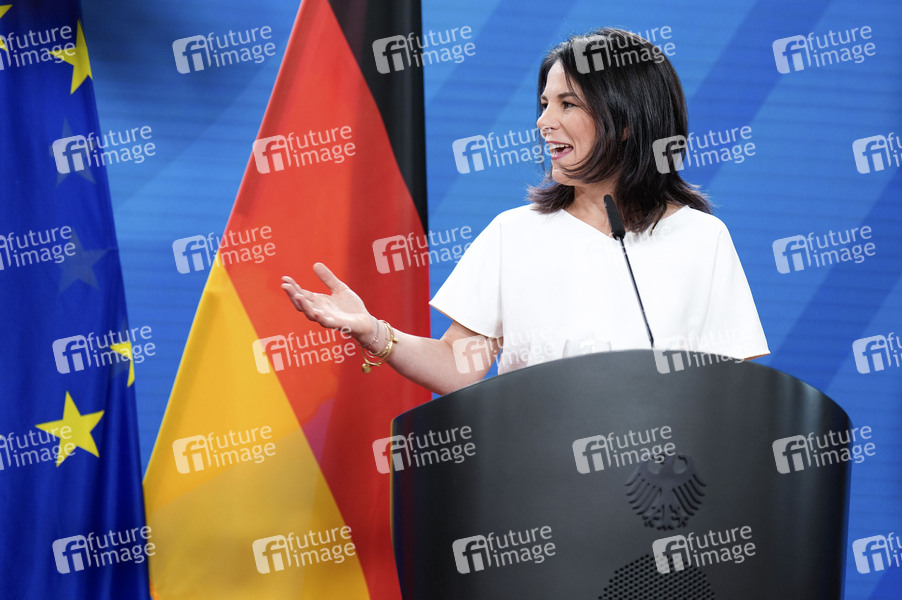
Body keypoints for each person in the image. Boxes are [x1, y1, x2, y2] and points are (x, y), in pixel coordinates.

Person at [281, 27, 769, 396]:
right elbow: (458, 366)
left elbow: (738, 389)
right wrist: (374, 332)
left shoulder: (701, 238)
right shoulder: (512, 234)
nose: (543, 122)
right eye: (544, 103)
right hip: (537, 481)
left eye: (567, 104)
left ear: (626, 122)